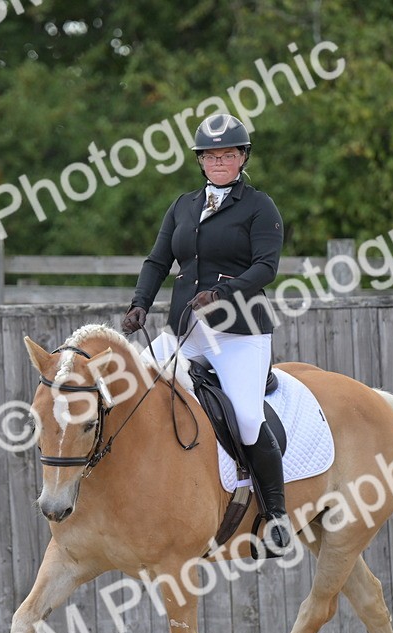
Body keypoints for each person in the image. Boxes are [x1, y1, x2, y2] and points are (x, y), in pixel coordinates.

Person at [122, 113, 291, 553]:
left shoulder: (259, 207)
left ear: (241, 158)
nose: (220, 161)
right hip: (187, 329)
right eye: (211, 155)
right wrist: (140, 302)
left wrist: (223, 292)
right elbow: (159, 261)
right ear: (201, 161)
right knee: (129, 391)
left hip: (240, 332)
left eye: (229, 154)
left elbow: (265, 268)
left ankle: (275, 517)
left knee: (250, 420)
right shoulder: (183, 205)